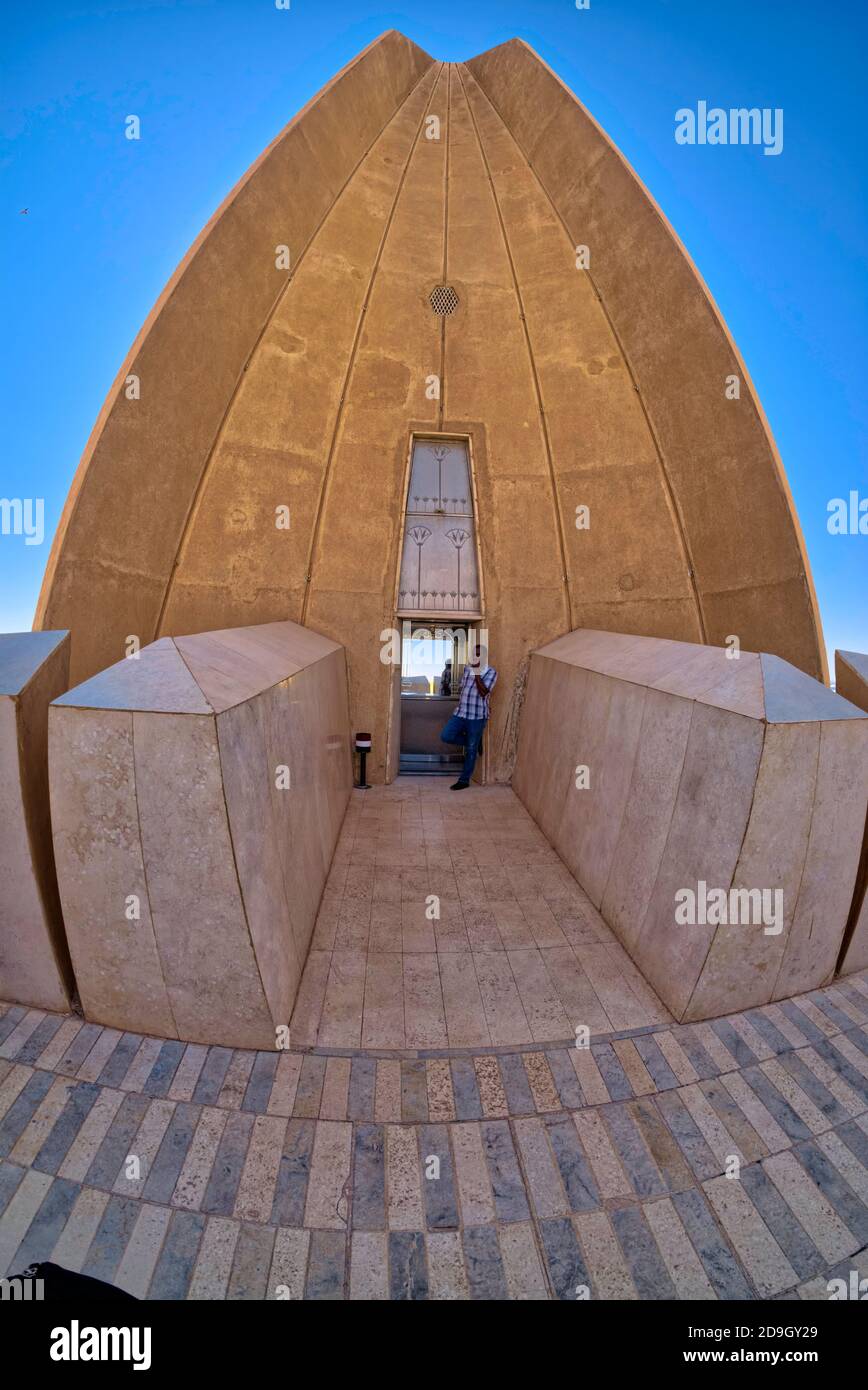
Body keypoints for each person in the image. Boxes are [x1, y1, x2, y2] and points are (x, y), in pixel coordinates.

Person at [439, 649, 497, 789]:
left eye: (477, 655)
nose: (474, 657)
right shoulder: (466, 669)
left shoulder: (491, 672)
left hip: (477, 716)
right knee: (446, 736)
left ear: (483, 657)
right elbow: (463, 689)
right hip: (461, 713)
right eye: (473, 655)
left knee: (471, 750)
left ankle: (464, 781)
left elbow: (483, 692)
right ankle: (475, 742)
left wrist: (477, 673)